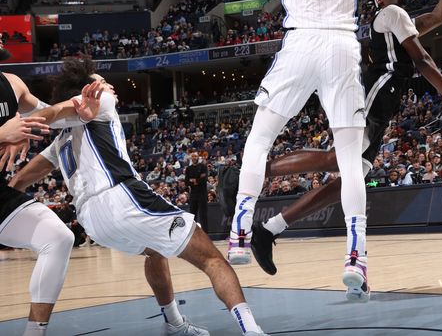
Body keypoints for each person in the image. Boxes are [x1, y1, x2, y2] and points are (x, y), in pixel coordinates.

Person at [228, 0, 404, 305]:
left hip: (300, 42)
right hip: (342, 47)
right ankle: (355, 258)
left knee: (260, 139)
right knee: (351, 162)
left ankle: (241, 232)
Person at [250, 0, 442, 288]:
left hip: (384, 104)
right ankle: (253, 171)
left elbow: (439, 15)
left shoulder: (400, 20)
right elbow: (423, 61)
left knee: (346, 182)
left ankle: (269, 230)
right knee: (335, 158)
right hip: (372, 94)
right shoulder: (391, 13)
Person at [11, 58, 268, 336]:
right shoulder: (101, 102)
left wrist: (9, 197)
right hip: (121, 198)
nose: (110, 87)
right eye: (103, 82)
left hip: (92, 220)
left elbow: (23, 178)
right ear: (89, 90)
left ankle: (175, 324)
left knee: (155, 251)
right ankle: (252, 330)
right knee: (211, 259)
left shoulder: (60, 141)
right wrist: (26, 125)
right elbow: (60, 109)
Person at [0, 61, 101, 336]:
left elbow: (47, 114)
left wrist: (83, 111)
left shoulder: (12, 83)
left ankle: (34, 332)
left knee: (58, 237)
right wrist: (3, 133)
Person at [184, 152, 208, 231]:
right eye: (193, 156)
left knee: (203, 214)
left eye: (196, 156)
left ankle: (205, 233)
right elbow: (187, 182)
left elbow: (204, 180)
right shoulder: (188, 168)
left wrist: (194, 180)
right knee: (192, 214)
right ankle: (192, 233)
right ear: (191, 158)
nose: (194, 158)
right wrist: (197, 180)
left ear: (198, 157)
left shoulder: (203, 167)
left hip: (202, 193)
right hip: (193, 194)